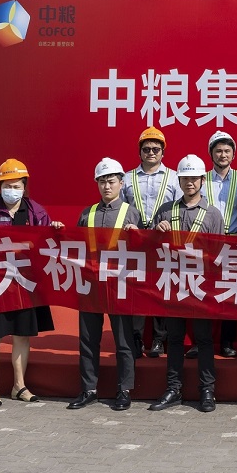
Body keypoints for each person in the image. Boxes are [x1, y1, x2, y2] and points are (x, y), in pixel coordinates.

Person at [0, 159, 60, 407]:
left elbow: (47, 243)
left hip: (24, 283)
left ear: (24, 186)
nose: (12, 190)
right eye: (7, 186)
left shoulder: (36, 212)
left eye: (16, 186)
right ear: (0, 187)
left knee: (22, 335)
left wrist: (55, 229)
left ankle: (20, 386)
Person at [149, 154, 225, 413]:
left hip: (201, 286)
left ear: (202, 180)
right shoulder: (166, 211)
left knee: (203, 339)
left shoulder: (213, 214)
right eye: (185, 178)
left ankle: (207, 390)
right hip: (173, 283)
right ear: (179, 181)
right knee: (174, 338)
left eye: (194, 178)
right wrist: (156, 232)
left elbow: (219, 254)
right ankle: (173, 389)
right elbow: (150, 249)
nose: (189, 182)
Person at [69, 158, 141, 412]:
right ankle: (88, 389)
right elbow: (75, 247)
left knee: (123, 341)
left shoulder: (131, 213)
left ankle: (124, 390)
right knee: (88, 340)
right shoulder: (87, 214)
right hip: (91, 286)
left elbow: (143, 251)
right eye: (102, 182)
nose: (106, 186)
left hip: (119, 285)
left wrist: (137, 234)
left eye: (111, 181)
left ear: (121, 183)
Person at [123, 126, 181, 359]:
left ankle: (159, 339)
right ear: (140, 151)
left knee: (161, 288)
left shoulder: (174, 177)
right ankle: (136, 338)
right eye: (146, 149)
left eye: (156, 149)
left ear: (163, 152)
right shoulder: (127, 178)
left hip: (162, 240)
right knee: (136, 289)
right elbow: (122, 207)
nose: (151, 153)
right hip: (135, 240)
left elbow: (179, 208)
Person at [205, 131, 237, 359]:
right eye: (218, 151)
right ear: (211, 153)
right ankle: (202, 341)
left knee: (231, 293)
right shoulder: (202, 179)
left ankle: (227, 342)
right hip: (208, 241)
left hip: (234, 240)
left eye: (227, 151)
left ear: (234, 154)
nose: (223, 155)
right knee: (204, 291)